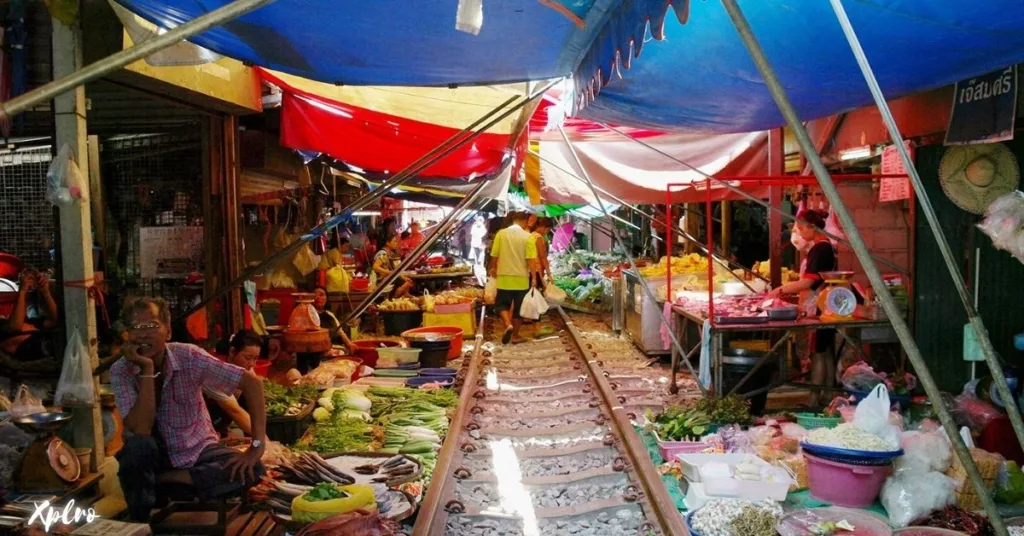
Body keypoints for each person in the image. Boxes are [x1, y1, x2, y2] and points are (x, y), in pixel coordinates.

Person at [110, 297, 267, 522]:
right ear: (128, 334)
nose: (144, 334)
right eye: (136, 327)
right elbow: (141, 428)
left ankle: (164, 480)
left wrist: (257, 446)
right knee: (137, 447)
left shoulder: (189, 356)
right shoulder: (121, 371)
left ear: (168, 331)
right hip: (154, 456)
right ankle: (141, 522)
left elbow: (252, 384)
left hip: (198, 452)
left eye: (152, 326)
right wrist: (147, 368)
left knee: (255, 469)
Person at [769, 209, 838, 406]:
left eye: (800, 228)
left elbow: (808, 283)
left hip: (819, 307)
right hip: (826, 306)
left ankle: (815, 400)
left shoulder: (821, 249)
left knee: (819, 352)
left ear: (812, 227)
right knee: (825, 351)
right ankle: (828, 396)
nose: (798, 232)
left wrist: (780, 290)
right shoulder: (824, 247)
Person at [489, 212, 539, 344]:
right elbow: (531, 260)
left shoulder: (501, 234)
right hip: (521, 279)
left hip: (504, 277)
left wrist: (493, 268)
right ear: (525, 221)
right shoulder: (528, 237)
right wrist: (534, 277)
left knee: (501, 305)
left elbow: (494, 254)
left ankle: (507, 324)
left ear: (513, 220)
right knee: (518, 309)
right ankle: (515, 336)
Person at [205, 330, 263, 437]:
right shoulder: (216, 370)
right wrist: (262, 440)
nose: (252, 364)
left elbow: (254, 391)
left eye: (255, 358)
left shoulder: (244, 366)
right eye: (248, 358)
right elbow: (234, 410)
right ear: (232, 352)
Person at [0, 270, 59, 361]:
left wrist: (45, 292)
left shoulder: (32, 323)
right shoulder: (7, 334)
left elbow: (55, 321)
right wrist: (22, 291)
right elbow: (15, 327)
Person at [312, 286, 359, 353]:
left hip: (336, 349)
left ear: (326, 298)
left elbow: (340, 331)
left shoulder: (330, 314)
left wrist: (349, 343)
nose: (318, 297)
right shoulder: (308, 315)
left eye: (321, 295)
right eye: (314, 295)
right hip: (319, 352)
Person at [373, 232, 414, 298]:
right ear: (387, 243)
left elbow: (394, 270)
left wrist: (402, 277)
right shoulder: (383, 253)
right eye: (394, 241)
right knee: (406, 283)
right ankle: (392, 298)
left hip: (390, 278)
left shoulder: (390, 253)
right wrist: (389, 273)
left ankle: (404, 295)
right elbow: (375, 267)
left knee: (407, 280)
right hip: (382, 280)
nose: (396, 243)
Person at [529, 217, 554, 290]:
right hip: (537, 269)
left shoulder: (531, 234)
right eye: (548, 230)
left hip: (531, 267)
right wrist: (549, 274)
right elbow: (542, 256)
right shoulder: (538, 237)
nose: (546, 232)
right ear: (543, 227)